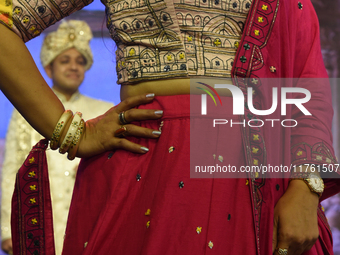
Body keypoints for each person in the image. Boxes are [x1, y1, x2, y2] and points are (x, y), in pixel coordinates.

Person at [0, 0, 340, 255]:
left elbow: (306, 79)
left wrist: (306, 187)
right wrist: (71, 132)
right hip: (146, 162)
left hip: (253, 173)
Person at [0, 20, 114, 255]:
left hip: (89, 213)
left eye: (80, 61)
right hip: (42, 215)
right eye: (65, 61)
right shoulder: (28, 112)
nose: (73, 67)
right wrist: (7, 229)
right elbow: (13, 167)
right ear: (49, 68)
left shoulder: (105, 111)